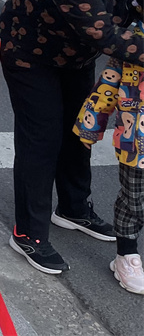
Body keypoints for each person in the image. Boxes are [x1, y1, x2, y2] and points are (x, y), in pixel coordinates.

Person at [0, 0, 144, 275]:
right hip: (31, 55)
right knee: (41, 140)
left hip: (75, 57)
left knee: (79, 132)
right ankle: (28, 233)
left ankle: (73, 209)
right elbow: (101, 33)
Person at [74, 31, 144, 295]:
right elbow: (106, 88)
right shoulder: (130, 44)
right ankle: (127, 256)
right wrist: (89, 128)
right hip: (135, 143)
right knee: (134, 200)